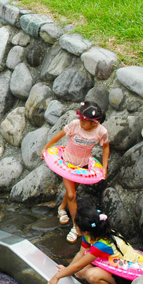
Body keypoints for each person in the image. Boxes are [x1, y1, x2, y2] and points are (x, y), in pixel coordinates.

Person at [47, 206, 143, 284]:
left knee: (91, 275)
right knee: (79, 272)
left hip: (128, 276)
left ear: (85, 231)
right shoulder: (91, 235)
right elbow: (81, 254)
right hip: (114, 266)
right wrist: (67, 270)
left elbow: (78, 265)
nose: (74, 226)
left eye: (76, 225)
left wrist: (57, 277)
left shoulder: (102, 245)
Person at [42, 101, 110, 243]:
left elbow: (105, 147)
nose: (80, 122)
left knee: (71, 191)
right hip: (67, 164)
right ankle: (76, 226)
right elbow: (58, 136)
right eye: (80, 119)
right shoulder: (74, 125)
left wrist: (104, 167)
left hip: (83, 167)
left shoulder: (101, 132)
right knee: (72, 195)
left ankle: (61, 208)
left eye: (84, 121)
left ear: (94, 123)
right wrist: (46, 148)